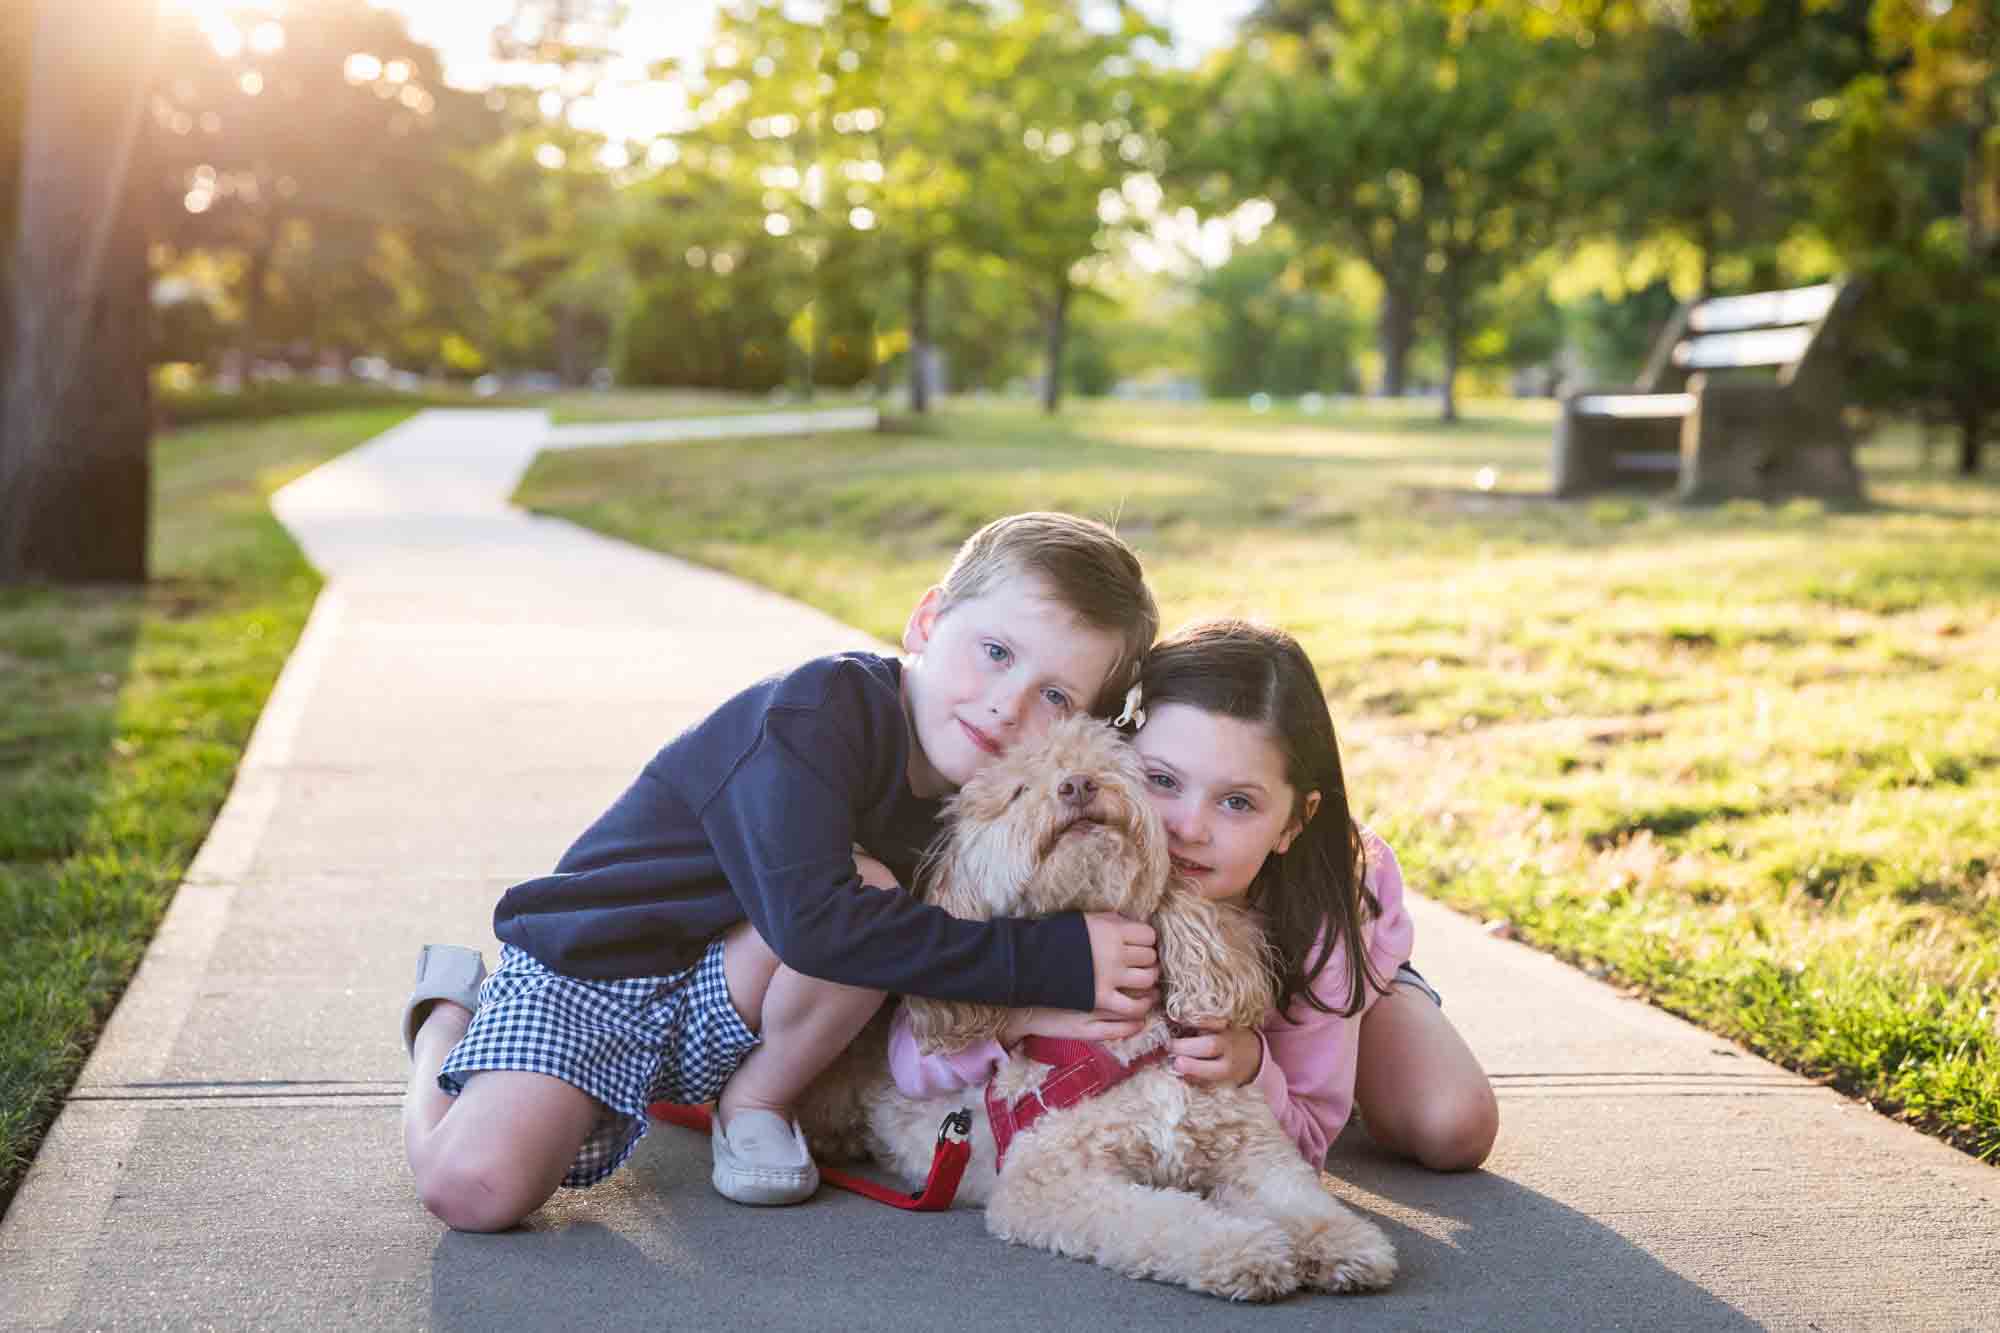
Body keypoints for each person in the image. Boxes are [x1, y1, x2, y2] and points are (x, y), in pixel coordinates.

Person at [401, 512, 1163, 1231]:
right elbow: (818, 924)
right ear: (927, 621)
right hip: (599, 968)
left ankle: (758, 1101)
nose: (1006, 705)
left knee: (878, 900)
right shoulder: (816, 714)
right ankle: (449, 1011)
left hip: (738, 983)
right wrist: (1052, 964)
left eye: (1055, 695)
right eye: (995, 652)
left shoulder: (982, 797)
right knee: (473, 1188)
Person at [888, 618, 1499, 1172]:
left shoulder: (1328, 917)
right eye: (1160, 781)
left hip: (1326, 961)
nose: (1188, 828)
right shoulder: (1069, 858)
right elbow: (915, 1059)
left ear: (1293, 822)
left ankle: (1362, 1019)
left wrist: (1256, 1069)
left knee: (1453, 1126)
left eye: (1237, 802)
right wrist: (1018, 1021)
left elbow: (1311, 1137)